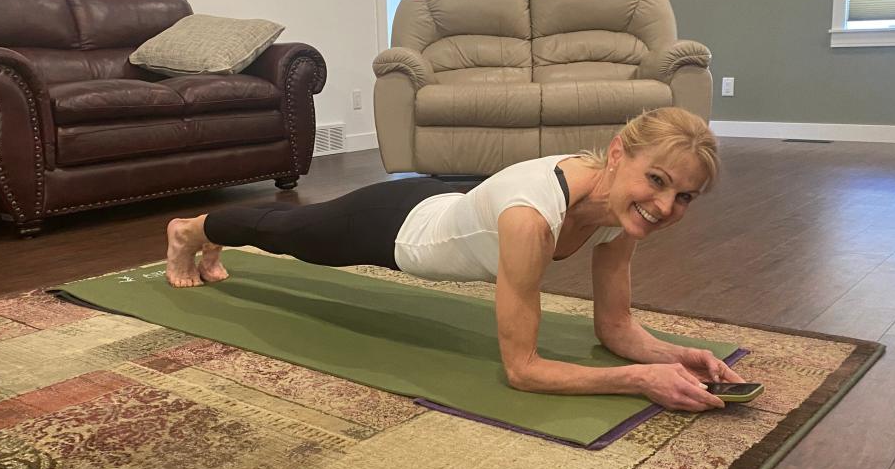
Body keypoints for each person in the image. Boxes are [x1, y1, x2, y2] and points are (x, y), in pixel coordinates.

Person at [164, 108, 741, 412]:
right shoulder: (530, 217)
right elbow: (523, 370)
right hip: (393, 228)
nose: (665, 207)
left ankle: (206, 234)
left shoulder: (625, 210)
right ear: (619, 154)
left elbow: (615, 328)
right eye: (658, 181)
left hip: (442, 201)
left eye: (683, 196)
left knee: (287, 229)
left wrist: (681, 355)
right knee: (288, 231)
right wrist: (639, 379)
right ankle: (190, 229)